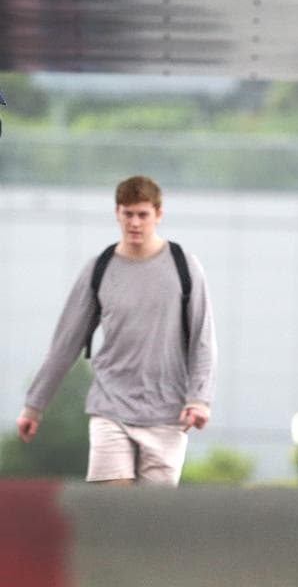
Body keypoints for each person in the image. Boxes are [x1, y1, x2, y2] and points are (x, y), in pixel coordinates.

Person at [15, 176, 217, 486]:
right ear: (117, 214)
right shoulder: (100, 269)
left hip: (167, 411)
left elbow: (202, 340)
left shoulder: (184, 266)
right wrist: (34, 406)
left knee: (152, 519)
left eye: (143, 214)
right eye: (128, 214)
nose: (135, 223)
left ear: (158, 214)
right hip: (111, 406)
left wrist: (199, 399)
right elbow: (65, 343)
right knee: (113, 507)